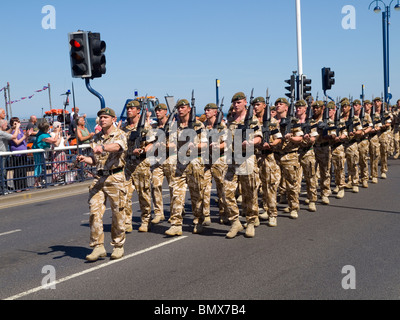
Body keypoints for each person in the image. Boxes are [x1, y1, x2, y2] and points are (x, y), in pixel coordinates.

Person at [77, 107, 128, 261]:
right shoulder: (97, 137)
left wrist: (103, 147)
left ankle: (118, 245)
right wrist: (85, 159)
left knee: (118, 213)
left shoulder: (120, 134)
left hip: (115, 178)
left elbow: (117, 147)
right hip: (99, 179)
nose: (102, 119)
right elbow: (95, 160)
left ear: (113, 119)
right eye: (101, 117)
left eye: (106, 117)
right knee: (94, 212)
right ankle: (98, 246)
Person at [165, 98, 208, 236]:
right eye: (178, 107)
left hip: (194, 162)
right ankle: (176, 224)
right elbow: (170, 143)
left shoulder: (198, 125)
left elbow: (205, 144)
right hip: (179, 163)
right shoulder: (174, 126)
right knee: (176, 194)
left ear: (189, 109)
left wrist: (194, 145)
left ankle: (198, 220)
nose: (180, 109)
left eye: (183, 107)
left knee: (196, 195)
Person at [223, 92, 262, 238]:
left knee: (250, 193)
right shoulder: (231, 120)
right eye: (234, 102)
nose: (236, 104)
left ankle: (251, 222)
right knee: (226, 191)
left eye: (239, 102)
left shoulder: (252, 119)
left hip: (247, 159)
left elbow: (259, 137)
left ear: (245, 102)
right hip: (232, 159)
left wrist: (252, 142)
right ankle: (235, 222)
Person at [121, 100, 155, 233]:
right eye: (128, 108)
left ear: (138, 111)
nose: (129, 110)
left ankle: (146, 220)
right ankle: (127, 221)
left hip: (141, 164)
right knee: (125, 194)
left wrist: (143, 150)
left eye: (132, 108)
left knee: (144, 194)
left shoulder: (146, 127)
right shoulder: (124, 128)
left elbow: (152, 143)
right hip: (128, 164)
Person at [255, 97, 283, 227]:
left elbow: (278, 138)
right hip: (255, 157)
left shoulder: (272, 122)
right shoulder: (252, 122)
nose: (255, 107)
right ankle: (256, 214)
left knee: (270, 187)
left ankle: (272, 214)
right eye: (254, 105)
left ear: (264, 106)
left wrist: (271, 144)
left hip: (268, 156)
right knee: (254, 187)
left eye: (258, 105)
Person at [275, 97, 303, 219]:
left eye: (280, 104)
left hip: (290, 155)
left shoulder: (293, 121)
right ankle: (269, 208)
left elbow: (300, 138)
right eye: (276, 104)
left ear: (286, 107)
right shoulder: (272, 121)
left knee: (292, 183)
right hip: (275, 155)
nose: (278, 106)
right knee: (272, 183)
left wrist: (291, 138)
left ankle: (293, 207)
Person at [202, 102, 229, 226]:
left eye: (209, 110)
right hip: (206, 161)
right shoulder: (203, 127)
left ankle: (224, 213)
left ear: (215, 112)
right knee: (204, 188)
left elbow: (227, 143)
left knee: (221, 189)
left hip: (219, 160)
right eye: (205, 110)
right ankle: (206, 215)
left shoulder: (222, 127)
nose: (206, 112)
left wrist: (219, 145)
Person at [295, 100, 318, 212]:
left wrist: (309, 139)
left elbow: (314, 137)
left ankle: (312, 200)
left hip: (308, 152)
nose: (298, 109)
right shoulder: (293, 121)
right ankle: (294, 204)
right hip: (296, 152)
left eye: (300, 107)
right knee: (295, 179)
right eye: (297, 107)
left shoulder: (311, 121)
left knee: (310, 177)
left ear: (305, 109)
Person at [32, 120, 62, 188]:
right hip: (37, 152)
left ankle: (38, 181)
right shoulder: (42, 136)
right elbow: (54, 140)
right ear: (45, 129)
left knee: (41, 166)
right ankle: (36, 182)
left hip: (41, 152)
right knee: (38, 166)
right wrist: (57, 132)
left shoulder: (41, 133)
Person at [9, 117, 33, 191]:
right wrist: (24, 136)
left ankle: (24, 185)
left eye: (18, 122)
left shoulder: (21, 131)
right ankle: (18, 187)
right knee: (17, 170)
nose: (18, 124)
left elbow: (24, 141)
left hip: (23, 153)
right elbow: (17, 142)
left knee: (23, 170)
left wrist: (27, 135)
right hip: (16, 153)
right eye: (15, 123)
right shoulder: (12, 132)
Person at [0, 119, 21, 194]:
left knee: (4, 172)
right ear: (2, 125)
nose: (7, 126)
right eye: (6, 125)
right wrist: (17, 127)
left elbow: (7, 133)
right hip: (2, 156)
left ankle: (4, 188)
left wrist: (12, 128)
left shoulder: (2, 132)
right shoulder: (1, 133)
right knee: (2, 173)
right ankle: (3, 189)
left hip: (3, 155)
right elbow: (14, 136)